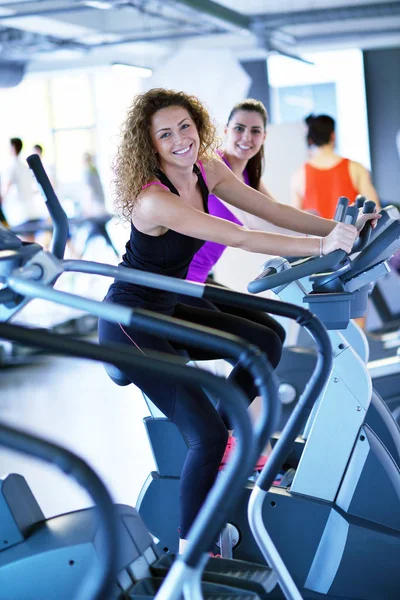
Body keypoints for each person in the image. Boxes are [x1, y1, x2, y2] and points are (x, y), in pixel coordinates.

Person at [98, 88, 375, 553]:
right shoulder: (153, 200)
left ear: (199, 125)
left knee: (266, 339)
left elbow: (268, 209)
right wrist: (322, 248)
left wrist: (337, 229)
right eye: (165, 135)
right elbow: (241, 237)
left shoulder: (206, 168)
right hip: (131, 320)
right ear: (150, 145)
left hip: (169, 303)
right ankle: (195, 550)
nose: (180, 139)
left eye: (185, 126)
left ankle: (228, 446)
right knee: (202, 435)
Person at [182, 99, 286, 470]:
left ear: (264, 136)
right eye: (239, 128)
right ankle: (226, 435)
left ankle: (240, 435)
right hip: (182, 284)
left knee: (271, 333)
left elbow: (279, 218)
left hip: (204, 280)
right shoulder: (213, 168)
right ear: (226, 131)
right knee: (257, 346)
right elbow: (254, 228)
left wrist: (337, 230)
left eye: (255, 130)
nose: (246, 137)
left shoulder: (247, 178)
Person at [290, 114, 380, 218]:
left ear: (311, 140)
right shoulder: (355, 168)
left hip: (317, 234)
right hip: (350, 234)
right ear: (333, 136)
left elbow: (295, 219)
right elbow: (374, 209)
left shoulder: (299, 175)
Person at [1, 138, 42, 235]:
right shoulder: (25, 167)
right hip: (32, 212)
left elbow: (5, 189)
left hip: (20, 214)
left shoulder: (11, 167)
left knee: (24, 245)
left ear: (13, 148)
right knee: (32, 245)